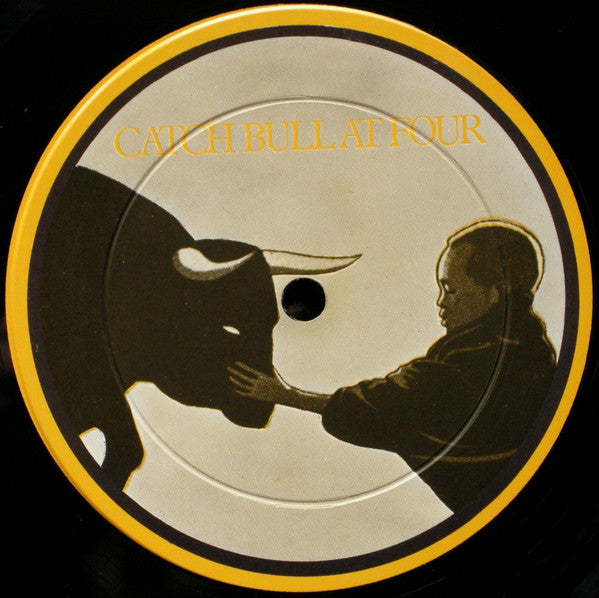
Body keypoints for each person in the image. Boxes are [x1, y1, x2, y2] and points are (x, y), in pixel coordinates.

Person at [228, 219, 557, 511]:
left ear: (496, 293)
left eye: (451, 289)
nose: (441, 302)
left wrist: (286, 395)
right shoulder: (532, 350)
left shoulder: (476, 362)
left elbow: (383, 404)